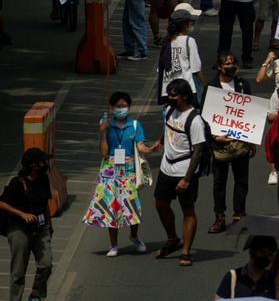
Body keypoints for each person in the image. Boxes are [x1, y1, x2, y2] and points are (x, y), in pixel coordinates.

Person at [84, 91, 152, 256]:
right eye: (118, 106)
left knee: (132, 206)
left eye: (124, 106)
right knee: (111, 207)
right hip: (109, 169)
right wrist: (102, 132)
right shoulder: (106, 124)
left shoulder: (135, 125)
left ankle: (134, 236)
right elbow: (104, 152)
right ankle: (113, 245)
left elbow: (140, 146)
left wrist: (151, 149)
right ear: (112, 108)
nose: (122, 109)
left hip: (128, 170)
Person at [154, 78, 208, 266]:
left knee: (188, 210)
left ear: (185, 96)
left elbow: (198, 150)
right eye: (169, 94)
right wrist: (161, 140)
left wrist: (187, 178)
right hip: (165, 168)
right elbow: (168, 127)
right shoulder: (168, 110)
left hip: (184, 171)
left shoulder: (195, 120)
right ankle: (172, 239)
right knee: (160, 204)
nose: (170, 98)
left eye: (174, 95)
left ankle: (185, 251)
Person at [207, 53, 254, 234]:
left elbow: (250, 114)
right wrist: (214, 138)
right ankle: (220, 217)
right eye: (227, 64)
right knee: (219, 182)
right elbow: (206, 115)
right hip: (219, 144)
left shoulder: (243, 85)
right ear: (219, 67)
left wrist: (251, 141)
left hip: (240, 141)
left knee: (241, 180)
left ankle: (239, 215)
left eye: (233, 62)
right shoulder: (212, 87)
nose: (231, 66)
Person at [1, 148, 53, 301]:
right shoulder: (17, 183)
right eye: (42, 161)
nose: (45, 164)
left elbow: (46, 204)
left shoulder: (44, 179)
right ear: (33, 165)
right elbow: (2, 203)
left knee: (46, 264)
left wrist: (49, 226)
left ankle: (36, 294)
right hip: (19, 229)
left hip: (41, 227)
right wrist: (22, 214)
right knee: (18, 272)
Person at [157, 5, 204, 104]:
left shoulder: (166, 41)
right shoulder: (189, 41)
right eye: (190, 22)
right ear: (185, 25)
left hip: (168, 90)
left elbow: (161, 68)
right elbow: (196, 69)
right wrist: (205, 85)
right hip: (186, 90)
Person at [214, 236, 279, 298]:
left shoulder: (274, 280)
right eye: (262, 252)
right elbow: (218, 300)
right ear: (252, 252)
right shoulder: (233, 277)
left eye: (270, 254)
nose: (266, 257)